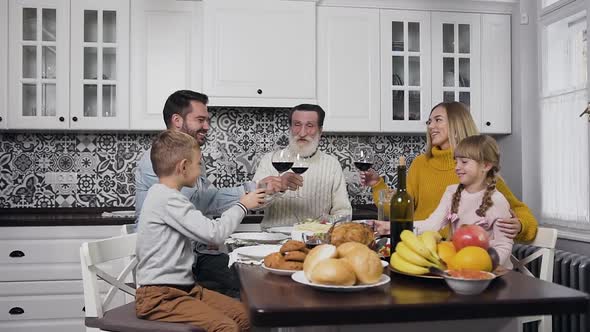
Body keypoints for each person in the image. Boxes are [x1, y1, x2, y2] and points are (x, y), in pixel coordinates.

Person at [135, 90, 292, 297]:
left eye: (207, 120)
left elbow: (208, 198)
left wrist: (256, 187)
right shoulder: (156, 163)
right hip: (170, 268)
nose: (207, 126)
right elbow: (201, 215)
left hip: (195, 256)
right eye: (200, 119)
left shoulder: (188, 159)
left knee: (252, 281)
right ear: (177, 120)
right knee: (247, 290)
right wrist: (244, 203)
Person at [136, 130, 263, 331]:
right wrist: (242, 205)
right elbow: (215, 233)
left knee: (245, 317)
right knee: (225, 327)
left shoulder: (165, 196)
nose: (201, 169)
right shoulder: (168, 199)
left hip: (186, 290)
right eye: (199, 164)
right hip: (160, 297)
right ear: (184, 167)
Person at [362, 102, 537, 242]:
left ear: (456, 123)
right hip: (422, 248)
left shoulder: (476, 168)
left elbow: (519, 210)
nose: (431, 126)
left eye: (438, 120)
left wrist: (520, 225)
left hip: (464, 254)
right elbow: (401, 210)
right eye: (429, 121)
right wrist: (377, 185)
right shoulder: (420, 164)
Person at [253, 104, 352, 229]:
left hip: (315, 240)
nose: (302, 132)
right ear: (290, 127)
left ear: (320, 131)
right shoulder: (270, 160)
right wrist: (276, 188)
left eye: (309, 126)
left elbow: (343, 212)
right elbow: (254, 204)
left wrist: (326, 227)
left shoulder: (332, 164)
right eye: (297, 124)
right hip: (272, 240)